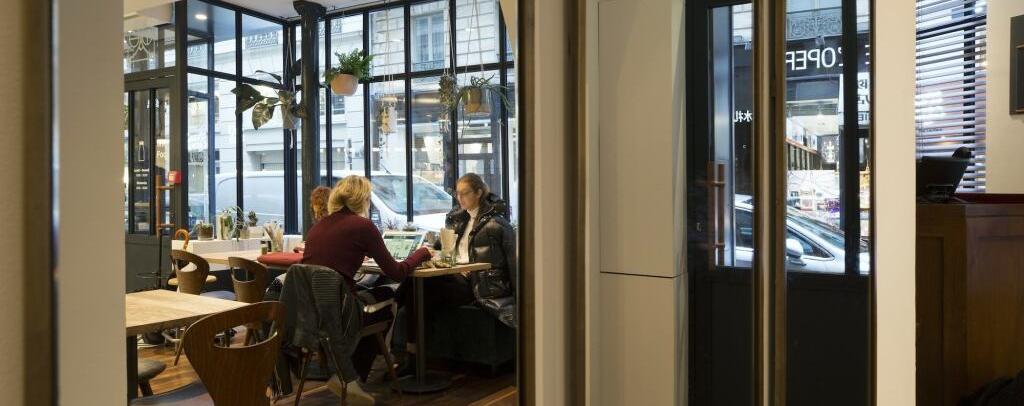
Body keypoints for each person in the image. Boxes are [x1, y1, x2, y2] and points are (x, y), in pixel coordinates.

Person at [301, 175, 432, 404]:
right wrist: (421, 253)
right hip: (342, 313)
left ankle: (349, 374)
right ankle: (355, 376)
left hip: (313, 311)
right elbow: (397, 272)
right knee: (391, 297)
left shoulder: (318, 227)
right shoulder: (363, 226)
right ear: (363, 199)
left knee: (370, 295)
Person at [396, 173, 517, 372]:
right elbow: (442, 247)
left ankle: (412, 356)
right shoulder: (457, 219)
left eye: (464, 193)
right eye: (457, 193)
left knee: (417, 292)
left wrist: (517, 297)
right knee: (414, 288)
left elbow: (513, 263)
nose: (459, 198)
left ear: (479, 193)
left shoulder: (497, 224)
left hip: (478, 283)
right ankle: (413, 356)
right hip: (454, 276)